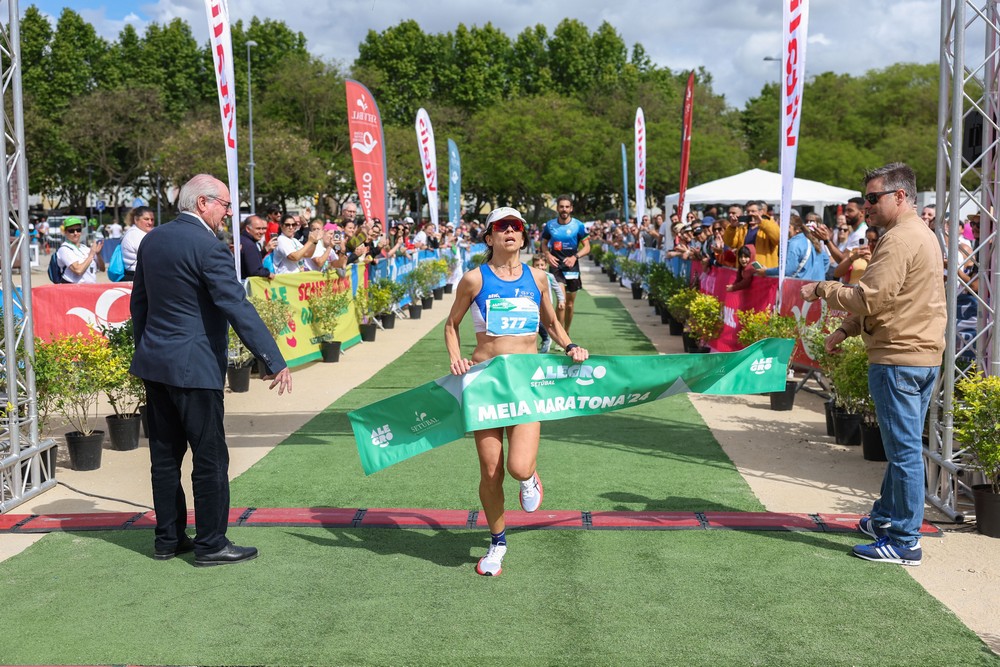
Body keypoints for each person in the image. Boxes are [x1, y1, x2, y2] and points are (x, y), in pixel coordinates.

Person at [130, 174, 293, 567]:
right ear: (202, 203)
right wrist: (274, 360)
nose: (227, 212)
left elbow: (139, 304)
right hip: (195, 367)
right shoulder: (209, 246)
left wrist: (147, 349)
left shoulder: (154, 239)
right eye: (224, 204)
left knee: (165, 457)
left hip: (156, 363)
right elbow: (237, 307)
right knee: (210, 458)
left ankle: (168, 539)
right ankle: (211, 544)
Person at [800, 162, 945, 566]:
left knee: (902, 454)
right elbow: (891, 298)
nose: (865, 207)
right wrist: (844, 331)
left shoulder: (900, 238)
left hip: (899, 358)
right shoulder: (920, 234)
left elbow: (871, 297)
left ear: (900, 196)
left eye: (872, 198)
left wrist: (822, 289)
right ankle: (885, 519)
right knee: (904, 448)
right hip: (918, 355)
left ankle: (904, 540)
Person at [445, 207, 588, 576]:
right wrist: (455, 356)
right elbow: (451, 325)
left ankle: (530, 477)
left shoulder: (538, 277)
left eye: (516, 227)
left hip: (526, 382)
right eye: (501, 227)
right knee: (491, 470)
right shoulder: (474, 280)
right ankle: (497, 544)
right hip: (485, 383)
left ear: (523, 238)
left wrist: (571, 346)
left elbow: (552, 323)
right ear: (489, 237)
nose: (509, 231)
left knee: (518, 466)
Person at [541, 195, 590, 333]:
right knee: (561, 302)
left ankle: (566, 331)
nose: (564, 209)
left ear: (571, 208)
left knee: (569, 304)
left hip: (572, 267)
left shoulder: (578, 225)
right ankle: (559, 334)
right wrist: (548, 255)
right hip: (556, 267)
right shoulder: (550, 225)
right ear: (557, 208)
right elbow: (544, 244)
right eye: (561, 206)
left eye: (567, 207)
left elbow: (587, 247)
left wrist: (575, 257)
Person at [756, 215, 829, 281]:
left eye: (787, 227)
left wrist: (766, 271)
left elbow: (788, 270)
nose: (782, 230)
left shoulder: (794, 243)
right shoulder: (810, 240)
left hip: (801, 287)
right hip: (817, 286)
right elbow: (826, 260)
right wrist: (815, 275)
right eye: (780, 226)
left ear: (797, 229)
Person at [722, 200, 781, 268]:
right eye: (748, 212)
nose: (750, 213)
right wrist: (732, 227)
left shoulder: (770, 224)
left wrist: (762, 223)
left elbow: (777, 238)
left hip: (763, 271)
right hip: (745, 270)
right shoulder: (742, 228)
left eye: (753, 211)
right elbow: (730, 243)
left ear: (761, 212)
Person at [532, 253, 566, 353]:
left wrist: (561, 300)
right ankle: (543, 340)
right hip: (534, 305)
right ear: (533, 265)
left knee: (546, 323)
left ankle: (547, 338)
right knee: (535, 324)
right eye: (537, 265)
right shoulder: (531, 276)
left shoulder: (549, 276)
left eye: (542, 265)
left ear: (546, 265)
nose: (540, 267)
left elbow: (557, 289)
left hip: (546, 306)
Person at [55, 216, 102, 284]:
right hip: (73, 290)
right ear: (65, 232)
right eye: (71, 231)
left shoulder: (85, 248)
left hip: (89, 289)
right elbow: (78, 270)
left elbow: (102, 268)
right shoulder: (64, 249)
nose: (75, 233)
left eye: (78, 230)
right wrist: (91, 255)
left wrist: (98, 254)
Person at [119, 207, 156, 282]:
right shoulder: (135, 234)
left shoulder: (137, 233)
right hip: (136, 277)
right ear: (136, 219)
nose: (150, 222)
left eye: (152, 219)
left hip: (138, 276)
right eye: (146, 219)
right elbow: (153, 256)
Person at [238, 215, 275, 280]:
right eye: (258, 229)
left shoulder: (243, 240)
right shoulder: (249, 245)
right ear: (248, 229)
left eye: (263, 228)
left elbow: (251, 260)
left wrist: (265, 250)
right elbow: (254, 270)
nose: (261, 232)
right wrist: (268, 273)